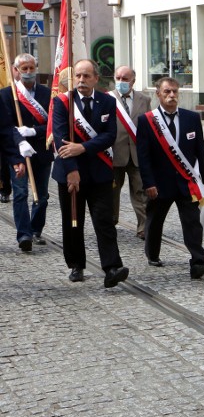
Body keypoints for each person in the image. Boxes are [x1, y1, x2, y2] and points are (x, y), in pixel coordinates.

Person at [52, 59, 128, 287]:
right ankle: (76, 264)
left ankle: (112, 267)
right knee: (73, 221)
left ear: (96, 78)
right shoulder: (63, 102)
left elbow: (109, 135)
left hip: (100, 172)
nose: (82, 80)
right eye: (78, 76)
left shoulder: (107, 101)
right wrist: (72, 171)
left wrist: (83, 147)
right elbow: (60, 138)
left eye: (87, 76)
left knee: (104, 221)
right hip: (69, 172)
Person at [136, 77, 204, 279]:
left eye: (175, 92)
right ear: (158, 94)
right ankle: (152, 254)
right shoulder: (147, 121)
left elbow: (200, 150)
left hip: (186, 182)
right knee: (154, 221)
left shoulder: (191, 118)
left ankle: (198, 262)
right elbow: (143, 157)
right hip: (159, 185)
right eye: (167, 92)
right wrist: (148, 183)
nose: (171, 96)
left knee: (192, 222)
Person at [1, 54, 53, 251]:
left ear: (36, 68)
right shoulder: (7, 95)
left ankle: (36, 228)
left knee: (42, 195)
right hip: (18, 152)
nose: (28, 72)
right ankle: (24, 234)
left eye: (31, 68)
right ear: (16, 70)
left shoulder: (48, 94)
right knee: (21, 193)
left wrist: (33, 131)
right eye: (24, 68)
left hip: (42, 149)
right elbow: (5, 127)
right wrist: (19, 138)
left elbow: (52, 125)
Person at [111, 65, 152, 239]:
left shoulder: (144, 99)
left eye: (125, 79)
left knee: (141, 192)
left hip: (137, 153)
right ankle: (110, 223)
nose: (121, 82)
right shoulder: (107, 99)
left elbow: (149, 125)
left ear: (133, 81)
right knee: (112, 192)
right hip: (114, 154)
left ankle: (143, 227)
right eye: (118, 78)